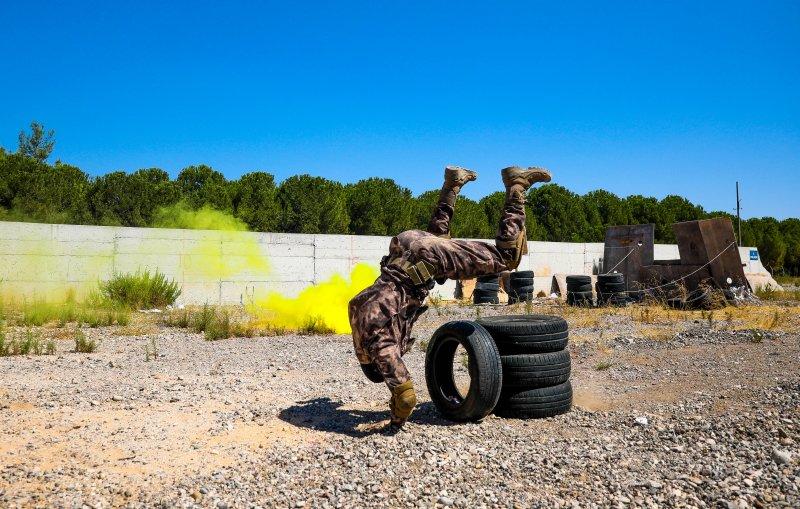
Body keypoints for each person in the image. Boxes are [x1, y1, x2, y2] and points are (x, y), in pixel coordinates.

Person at [348, 165, 552, 427]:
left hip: (427, 259)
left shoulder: (381, 347)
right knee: (437, 237)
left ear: (377, 365)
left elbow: (406, 397)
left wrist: (395, 421)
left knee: (507, 257)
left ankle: (517, 186)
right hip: (405, 243)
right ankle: (452, 184)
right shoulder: (357, 313)